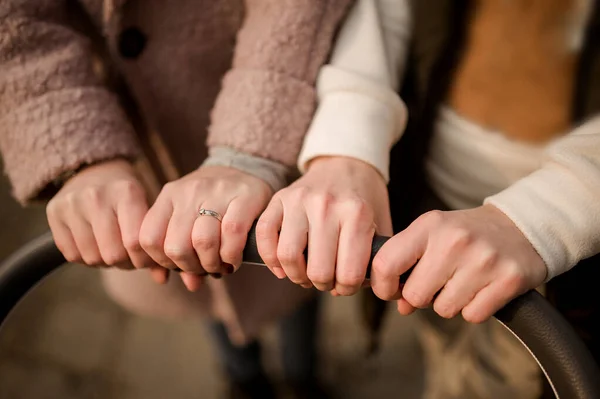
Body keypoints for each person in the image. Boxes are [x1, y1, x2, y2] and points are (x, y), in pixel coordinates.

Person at [0, 1, 354, 398]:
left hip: (275, 100)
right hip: (134, 139)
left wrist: (247, 147)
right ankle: (245, 377)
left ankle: (302, 372)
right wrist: (77, 149)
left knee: (299, 269)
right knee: (198, 279)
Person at [259, 0, 600, 398]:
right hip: (429, 194)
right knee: (444, 347)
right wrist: (346, 150)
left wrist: (547, 215)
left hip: (565, 250)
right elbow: (387, 11)